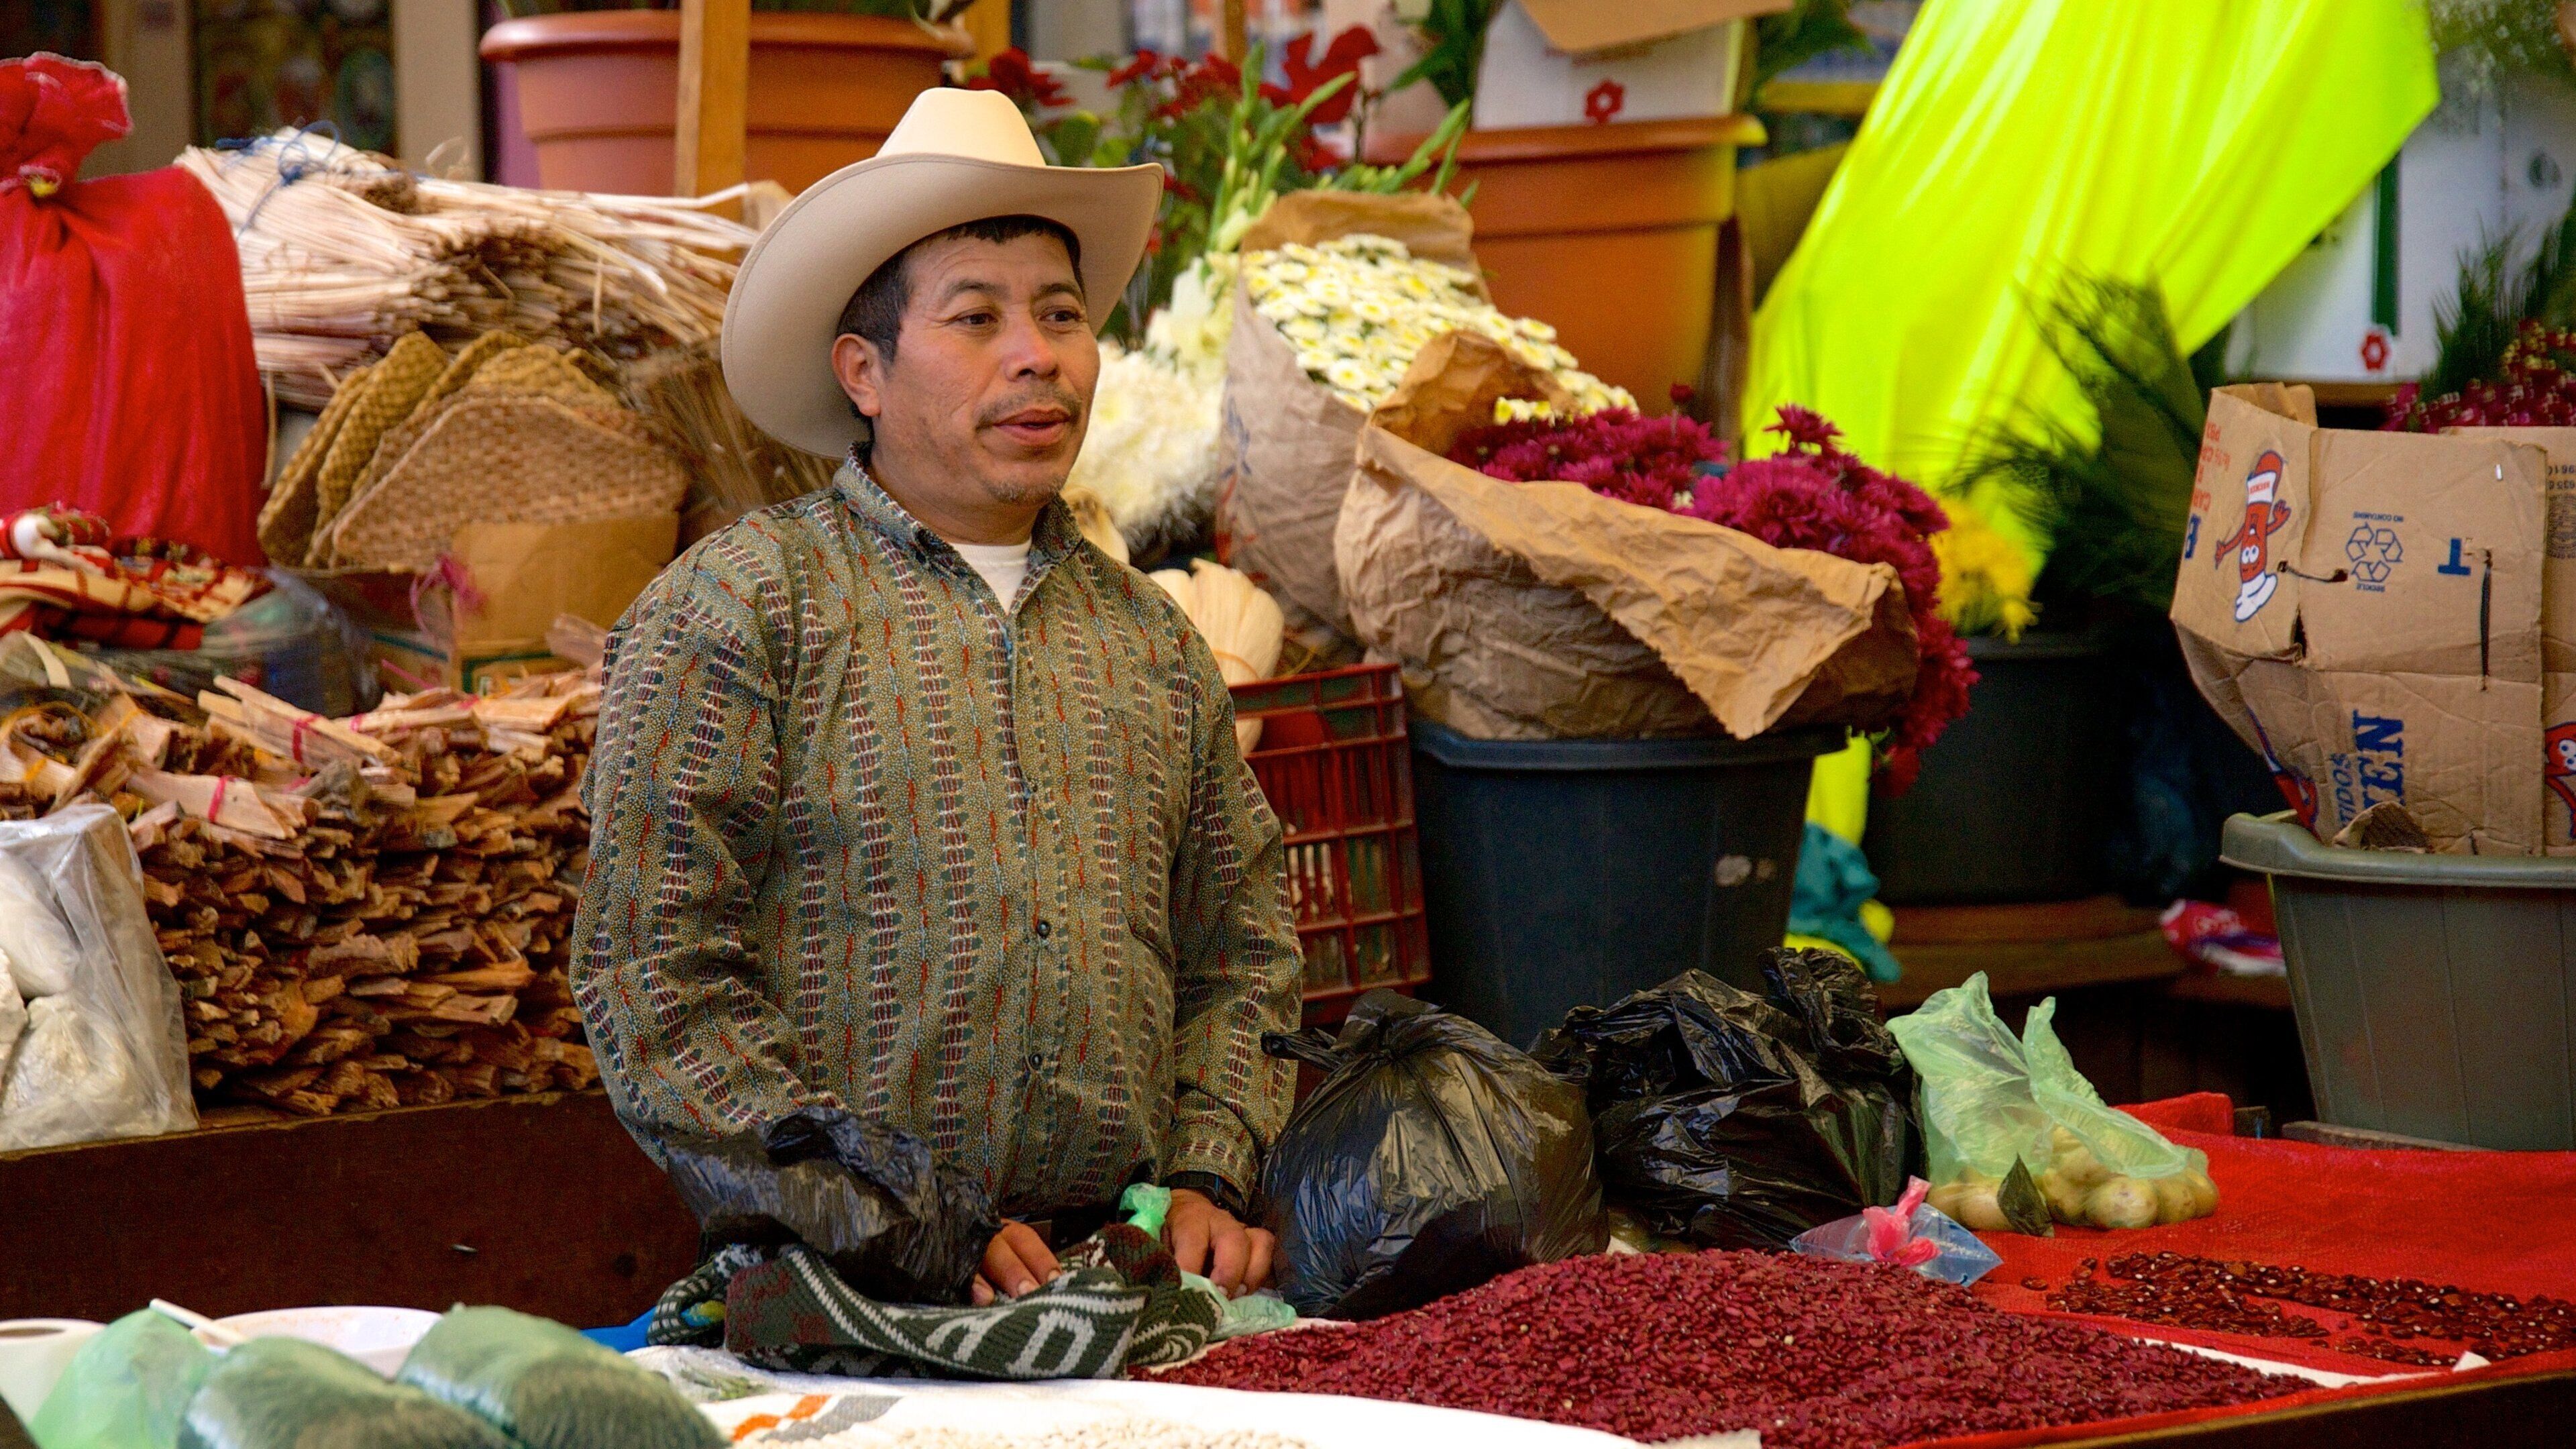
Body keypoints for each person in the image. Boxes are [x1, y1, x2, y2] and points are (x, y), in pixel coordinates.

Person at [573, 89, 1302, 1305]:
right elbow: (654, 975)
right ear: (863, 370)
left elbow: (1242, 943)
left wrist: (1209, 1173)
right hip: (844, 1283)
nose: (1039, 353)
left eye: (1061, 315)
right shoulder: (745, 610)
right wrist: (891, 1211)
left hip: (1121, 1273)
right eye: (977, 316)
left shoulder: (1153, 645)